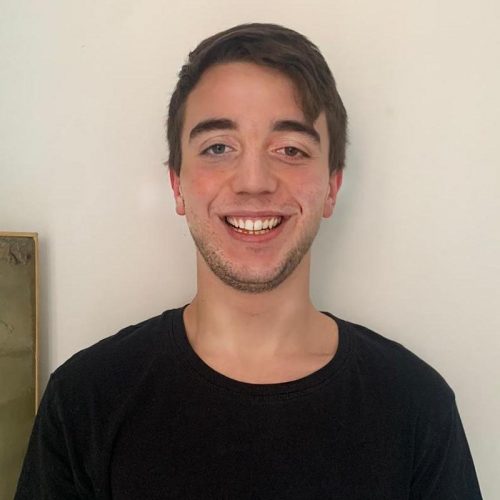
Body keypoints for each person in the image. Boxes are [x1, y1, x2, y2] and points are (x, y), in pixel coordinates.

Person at [15, 23, 481, 499]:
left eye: (290, 150)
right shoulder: (85, 401)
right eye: (218, 148)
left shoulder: (417, 407)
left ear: (332, 187)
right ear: (177, 185)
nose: (254, 181)